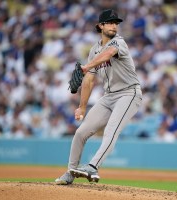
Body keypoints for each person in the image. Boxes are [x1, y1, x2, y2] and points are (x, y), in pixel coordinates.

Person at [55, 9, 142, 185]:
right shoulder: (94, 50)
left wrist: (87, 66)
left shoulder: (119, 42)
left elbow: (108, 53)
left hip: (129, 93)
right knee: (80, 133)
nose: (114, 26)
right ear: (100, 26)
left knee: (111, 130)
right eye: (110, 22)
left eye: (116, 23)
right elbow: (88, 81)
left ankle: (93, 166)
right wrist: (82, 106)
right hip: (108, 96)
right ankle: (70, 172)